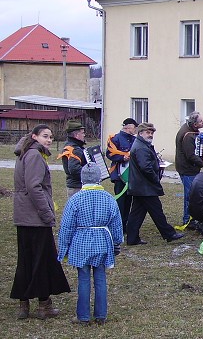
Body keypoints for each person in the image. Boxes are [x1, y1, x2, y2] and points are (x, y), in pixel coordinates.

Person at [11, 124, 71, 320]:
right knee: (42, 261)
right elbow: (34, 187)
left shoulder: (25, 153)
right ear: (34, 136)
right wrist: (47, 214)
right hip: (35, 218)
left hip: (24, 217)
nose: (49, 140)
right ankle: (43, 306)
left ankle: (24, 304)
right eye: (45, 136)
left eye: (51, 137)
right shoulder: (35, 155)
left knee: (27, 260)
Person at [57, 163, 123, 326]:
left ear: (82, 179)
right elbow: (117, 225)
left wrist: (63, 248)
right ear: (99, 179)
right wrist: (116, 244)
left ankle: (83, 317)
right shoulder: (109, 198)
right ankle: (101, 315)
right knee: (100, 278)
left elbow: (66, 227)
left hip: (81, 244)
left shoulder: (75, 199)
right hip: (102, 242)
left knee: (84, 279)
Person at [125, 122, 184, 245]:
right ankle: (169, 234)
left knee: (137, 213)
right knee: (157, 211)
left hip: (140, 186)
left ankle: (132, 238)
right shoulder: (141, 147)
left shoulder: (141, 144)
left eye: (151, 133)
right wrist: (155, 178)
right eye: (148, 132)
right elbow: (145, 167)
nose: (150, 135)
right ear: (140, 133)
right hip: (145, 187)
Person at [106, 118, 137, 232]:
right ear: (128, 127)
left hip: (131, 176)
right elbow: (109, 153)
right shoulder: (115, 139)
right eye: (134, 127)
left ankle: (125, 225)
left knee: (128, 202)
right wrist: (122, 158)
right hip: (119, 176)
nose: (136, 130)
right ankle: (117, 226)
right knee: (120, 202)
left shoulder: (135, 139)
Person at [175, 111, 203, 226]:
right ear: (195, 124)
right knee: (190, 195)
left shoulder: (188, 130)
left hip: (186, 167)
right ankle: (187, 220)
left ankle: (190, 218)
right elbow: (190, 155)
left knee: (191, 194)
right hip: (187, 169)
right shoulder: (188, 136)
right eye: (201, 121)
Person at [58, 120, 88, 198]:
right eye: (82, 133)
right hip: (77, 187)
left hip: (74, 186)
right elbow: (74, 169)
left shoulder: (70, 146)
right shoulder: (75, 149)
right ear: (76, 135)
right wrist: (90, 174)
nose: (84, 135)